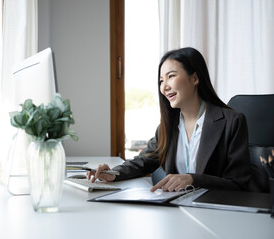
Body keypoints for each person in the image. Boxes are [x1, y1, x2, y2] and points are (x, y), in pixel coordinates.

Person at [87, 47, 251, 192]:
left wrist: (193, 179)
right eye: (161, 80)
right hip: (177, 210)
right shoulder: (168, 127)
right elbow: (142, 162)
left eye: (171, 76)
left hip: (215, 213)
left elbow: (239, 185)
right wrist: (112, 174)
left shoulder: (232, 122)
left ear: (195, 78)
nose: (164, 87)